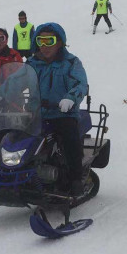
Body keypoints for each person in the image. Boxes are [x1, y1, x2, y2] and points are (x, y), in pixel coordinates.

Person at [27, 22, 89, 196]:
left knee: (69, 137)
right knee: (13, 134)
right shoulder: (32, 63)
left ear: (60, 42)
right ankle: (13, 172)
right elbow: (13, 81)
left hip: (62, 113)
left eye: (50, 40)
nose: (45, 46)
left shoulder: (70, 63)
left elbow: (80, 83)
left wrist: (70, 99)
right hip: (36, 113)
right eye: (41, 41)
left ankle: (75, 179)